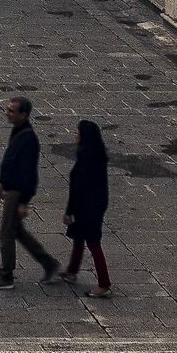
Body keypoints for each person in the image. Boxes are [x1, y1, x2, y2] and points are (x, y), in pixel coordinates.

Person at [0, 95, 59, 288]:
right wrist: (2, 183)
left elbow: (29, 173)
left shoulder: (28, 139)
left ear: (24, 115)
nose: (7, 113)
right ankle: (48, 262)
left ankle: (6, 275)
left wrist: (24, 201)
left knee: (7, 233)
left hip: (17, 192)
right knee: (17, 230)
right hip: (11, 188)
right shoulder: (18, 131)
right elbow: (10, 162)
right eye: (7, 108)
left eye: (11, 110)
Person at [59, 119, 112, 298]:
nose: (76, 135)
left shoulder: (85, 158)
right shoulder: (97, 154)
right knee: (78, 237)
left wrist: (69, 211)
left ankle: (104, 283)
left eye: (78, 132)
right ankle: (72, 270)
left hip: (86, 208)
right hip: (94, 205)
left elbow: (77, 188)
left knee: (93, 243)